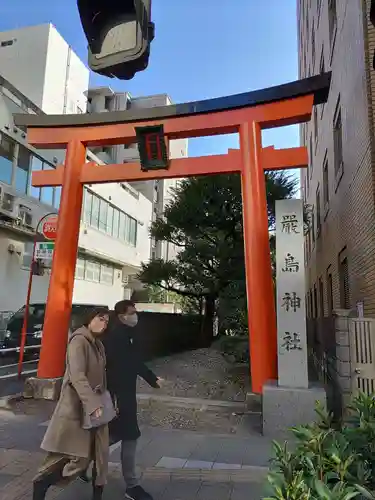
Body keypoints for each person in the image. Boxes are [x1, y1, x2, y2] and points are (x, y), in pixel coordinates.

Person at [32, 307, 110, 500]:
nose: (104, 323)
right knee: (73, 455)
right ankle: (41, 484)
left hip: (95, 408)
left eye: (107, 321)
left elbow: (101, 377)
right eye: (100, 319)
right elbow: (77, 376)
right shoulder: (79, 341)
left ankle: (97, 494)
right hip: (77, 408)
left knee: (99, 455)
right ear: (89, 319)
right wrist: (93, 404)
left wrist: (106, 402)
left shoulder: (97, 344)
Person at [103, 300, 161, 500]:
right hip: (119, 395)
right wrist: (152, 379)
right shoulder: (115, 337)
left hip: (124, 393)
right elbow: (129, 363)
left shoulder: (126, 334)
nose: (135, 316)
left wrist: (152, 379)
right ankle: (132, 485)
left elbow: (135, 361)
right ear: (121, 316)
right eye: (132, 313)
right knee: (129, 435)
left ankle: (78, 463)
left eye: (135, 312)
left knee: (113, 435)